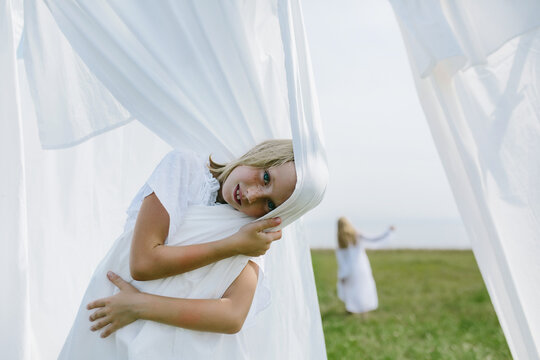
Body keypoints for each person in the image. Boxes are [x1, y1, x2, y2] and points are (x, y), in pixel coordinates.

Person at [59, 139, 297, 359]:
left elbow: (233, 315)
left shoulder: (250, 229)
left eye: (269, 204)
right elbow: (144, 263)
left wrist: (140, 306)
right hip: (111, 318)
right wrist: (232, 245)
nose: (251, 195)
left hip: (162, 337)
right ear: (262, 154)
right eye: (266, 177)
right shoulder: (186, 169)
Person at [336, 217, 395, 315]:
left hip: (349, 270)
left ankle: (351, 308)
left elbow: (342, 260)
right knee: (363, 288)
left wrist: (343, 274)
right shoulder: (357, 235)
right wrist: (388, 232)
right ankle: (363, 309)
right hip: (360, 267)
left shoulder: (340, 241)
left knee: (351, 289)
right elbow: (374, 239)